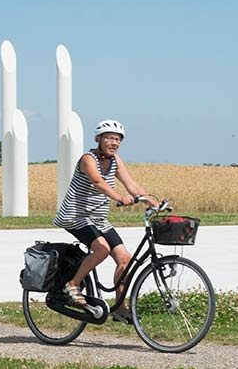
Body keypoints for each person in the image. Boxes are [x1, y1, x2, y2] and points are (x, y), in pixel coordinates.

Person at [52, 119, 159, 323]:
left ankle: (119, 307)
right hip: (76, 216)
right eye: (109, 138)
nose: (114, 142)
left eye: (118, 139)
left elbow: (130, 184)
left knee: (125, 259)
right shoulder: (88, 159)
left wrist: (151, 201)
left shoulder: (116, 161)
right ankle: (72, 284)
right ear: (98, 139)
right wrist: (118, 197)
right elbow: (97, 181)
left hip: (98, 218)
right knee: (102, 249)